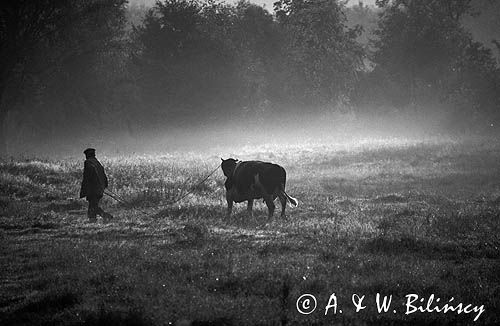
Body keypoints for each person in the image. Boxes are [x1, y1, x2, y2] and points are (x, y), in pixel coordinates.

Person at [79, 148, 113, 222]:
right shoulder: (97, 163)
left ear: (87, 155)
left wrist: (84, 190)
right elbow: (104, 176)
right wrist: (104, 186)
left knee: (92, 206)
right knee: (93, 205)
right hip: (100, 188)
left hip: (93, 189)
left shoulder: (88, 162)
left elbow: (87, 177)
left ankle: (103, 217)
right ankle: (95, 219)